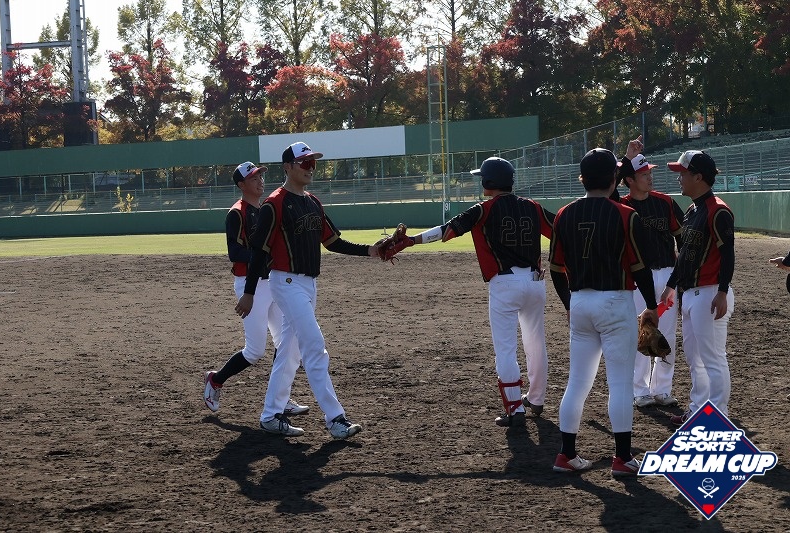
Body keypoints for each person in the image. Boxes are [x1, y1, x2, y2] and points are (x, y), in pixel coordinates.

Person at [386, 157, 555, 427]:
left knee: (506, 350)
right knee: (535, 343)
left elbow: (447, 231)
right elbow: (559, 230)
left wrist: (411, 241)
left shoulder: (483, 209)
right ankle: (536, 399)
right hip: (536, 282)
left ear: (489, 181)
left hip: (505, 285)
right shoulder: (532, 207)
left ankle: (515, 410)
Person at [235, 141, 382, 439]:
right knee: (314, 346)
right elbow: (259, 252)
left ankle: (270, 415)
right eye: (305, 163)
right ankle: (335, 419)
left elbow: (333, 242)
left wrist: (370, 250)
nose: (310, 168)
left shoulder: (313, 202)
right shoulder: (274, 203)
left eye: (313, 163)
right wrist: (249, 292)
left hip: (308, 284)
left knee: (290, 351)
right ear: (288, 167)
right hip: (285, 282)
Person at [548, 147, 659, 476]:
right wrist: (651, 306)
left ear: (582, 178)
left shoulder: (564, 214)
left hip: (580, 302)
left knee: (577, 382)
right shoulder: (626, 214)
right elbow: (640, 269)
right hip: (615, 302)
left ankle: (567, 455)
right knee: (620, 383)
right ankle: (622, 459)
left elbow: (555, 269)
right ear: (614, 179)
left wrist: (569, 305)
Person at [203, 162, 309, 416]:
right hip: (249, 286)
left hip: (272, 282)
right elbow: (234, 251)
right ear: (241, 185)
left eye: (260, 176)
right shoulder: (236, 213)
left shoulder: (265, 209)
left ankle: (280, 398)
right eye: (253, 178)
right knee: (255, 351)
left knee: (286, 343)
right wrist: (261, 255)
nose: (260, 181)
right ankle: (216, 379)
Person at [661, 150, 735, 425]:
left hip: (711, 292)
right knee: (695, 359)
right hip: (691, 294)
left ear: (698, 177)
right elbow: (684, 255)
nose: (679, 178)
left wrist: (723, 291)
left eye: (683, 173)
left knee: (713, 358)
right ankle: (698, 409)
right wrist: (671, 286)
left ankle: (718, 416)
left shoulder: (718, 211)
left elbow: (728, 255)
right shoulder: (693, 210)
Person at [619, 153, 685, 408]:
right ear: (629, 180)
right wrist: (626, 156)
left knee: (666, 333)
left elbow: (683, 239)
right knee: (641, 333)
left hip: (667, 274)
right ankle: (640, 390)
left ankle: (662, 389)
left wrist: (676, 278)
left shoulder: (665, 202)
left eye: (649, 172)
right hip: (638, 279)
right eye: (644, 174)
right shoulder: (621, 205)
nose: (650, 177)